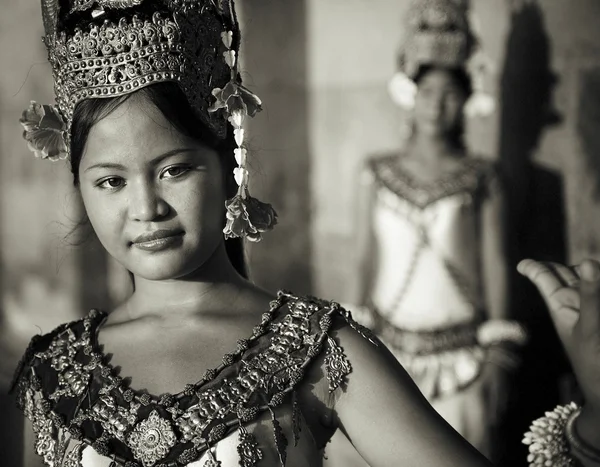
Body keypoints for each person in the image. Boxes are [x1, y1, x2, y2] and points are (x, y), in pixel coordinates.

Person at [9, 0, 600, 466]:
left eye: (174, 169)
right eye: (110, 181)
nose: (146, 208)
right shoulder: (51, 376)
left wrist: (594, 426)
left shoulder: (322, 351)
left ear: (230, 162)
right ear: (79, 186)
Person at [347, 0, 524, 459]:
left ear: (466, 100)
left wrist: (499, 358)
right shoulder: (376, 171)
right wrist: (351, 345)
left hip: (463, 360)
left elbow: (496, 262)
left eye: (449, 94)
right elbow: (364, 258)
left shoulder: (483, 176)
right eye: (428, 92)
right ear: (411, 95)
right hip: (387, 356)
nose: (437, 104)